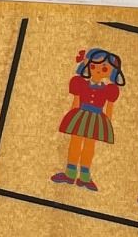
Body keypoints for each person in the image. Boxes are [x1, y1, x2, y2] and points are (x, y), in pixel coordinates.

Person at [53, 48, 124, 191]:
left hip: (97, 118)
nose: (98, 70)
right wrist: (71, 116)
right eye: (93, 66)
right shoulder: (80, 83)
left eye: (104, 68)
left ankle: (84, 176)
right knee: (75, 143)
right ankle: (70, 173)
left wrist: (107, 123)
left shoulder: (109, 90)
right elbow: (76, 101)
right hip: (80, 115)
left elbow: (109, 108)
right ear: (87, 66)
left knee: (89, 146)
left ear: (111, 72)